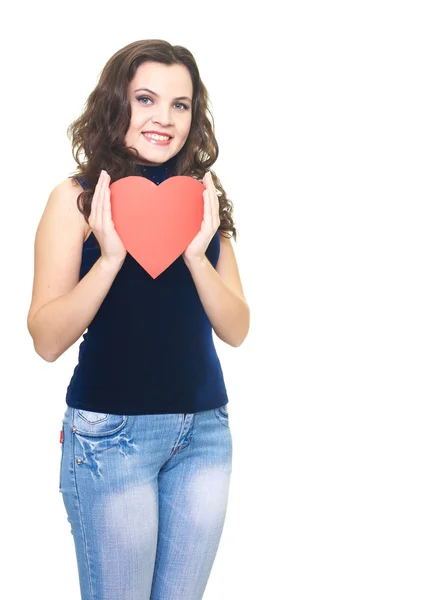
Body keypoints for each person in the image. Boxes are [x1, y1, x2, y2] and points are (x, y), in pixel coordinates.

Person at [27, 39, 250, 600]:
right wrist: (109, 257)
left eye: (181, 104)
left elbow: (237, 328)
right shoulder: (75, 200)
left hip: (204, 434)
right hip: (111, 437)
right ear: (114, 105)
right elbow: (47, 340)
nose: (164, 118)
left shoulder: (203, 198)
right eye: (146, 98)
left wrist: (198, 253)